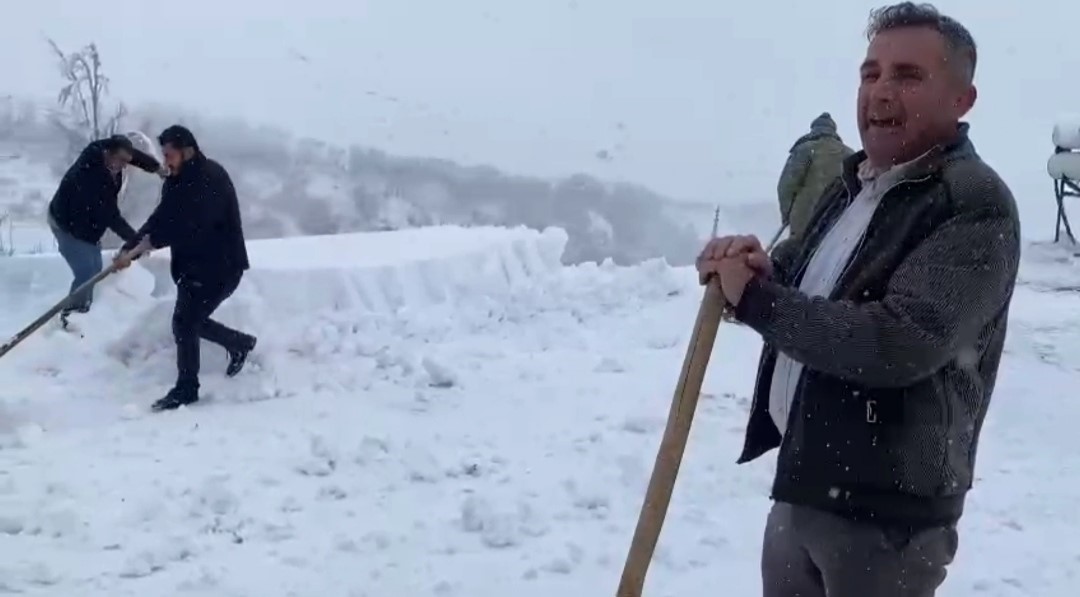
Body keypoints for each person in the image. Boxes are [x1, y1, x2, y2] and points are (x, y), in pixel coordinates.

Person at [695, 3, 1020, 596]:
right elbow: (814, 279)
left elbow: (896, 342)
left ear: (961, 101)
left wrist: (760, 302)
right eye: (871, 74)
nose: (881, 91)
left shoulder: (972, 205)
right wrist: (759, 270)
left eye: (908, 75)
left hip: (887, 516)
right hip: (805, 479)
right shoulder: (854, 183)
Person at [114, 125, 256, 412]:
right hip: (194, 266)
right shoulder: (177, 181)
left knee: (185, 323)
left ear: (187, 151)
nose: (166, 161)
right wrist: (129, 247)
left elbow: (191, 225)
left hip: (221, 266)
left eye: (170, 155)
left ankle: (187, 388)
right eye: (164, 155)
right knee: (190, 321)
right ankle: (240, 343)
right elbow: (161, 218)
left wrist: (146, 246)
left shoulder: (210, 179)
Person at [48, 134, 166, 323]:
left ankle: (84, 313)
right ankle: (71, 317)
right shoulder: (90, 177)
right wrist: (136, 241)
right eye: (119, 160)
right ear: (107, 153)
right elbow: (111, 217)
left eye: (125, 161)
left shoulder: (109, 151)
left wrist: (157, 168)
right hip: (66, 225)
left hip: (86, 224)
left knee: (95, 268)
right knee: (87, 272)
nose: (123, 165)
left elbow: (132, 155)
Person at [776, 112, 854, 240]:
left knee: (801, 256)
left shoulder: (805, 150)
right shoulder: (848, 153)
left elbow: (787, 186)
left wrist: (787, 215)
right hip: (837, 223)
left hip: (805, 221)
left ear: (814, 129)